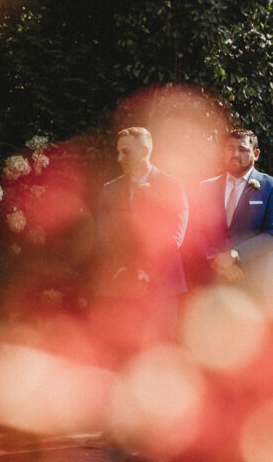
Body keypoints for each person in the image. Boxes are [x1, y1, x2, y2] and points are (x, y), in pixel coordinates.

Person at [96, 126, 189, 341]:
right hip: (121, 284)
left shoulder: (173, 186)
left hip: (162, 285)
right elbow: (103, 235)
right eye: (118, 151)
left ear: (145, 151)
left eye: (126, 152)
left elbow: (175, 234)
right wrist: (122, 269)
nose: (119, 158)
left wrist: (146, 271)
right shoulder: (110, 190)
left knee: (160, 351)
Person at [192, 129, 273, 300]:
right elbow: (196, 231)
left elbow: (270, 233)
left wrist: (234, 254)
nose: (235, 154)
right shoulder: (205, 187)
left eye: (243, 150)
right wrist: (218, 262)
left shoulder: (269, 186)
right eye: (230, 149)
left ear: (256, 154)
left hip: (252, 283)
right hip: (212, 282)